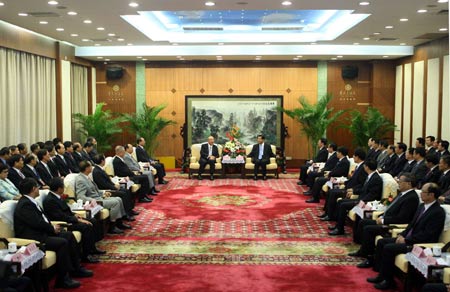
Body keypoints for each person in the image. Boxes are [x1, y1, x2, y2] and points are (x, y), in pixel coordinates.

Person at [14, 178, 93, 289]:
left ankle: (76, 269)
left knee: (69, 235)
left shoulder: (30, 201)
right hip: (34, 237)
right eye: (37, 187)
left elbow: (42, 220)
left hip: (42, 232)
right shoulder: (24, 205)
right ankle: (62, 279)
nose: (38, 189)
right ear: (33, 189)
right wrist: (52, 228)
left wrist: (52, 227)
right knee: (62, 242)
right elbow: (37, 223)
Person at [367, 182, 445, 290]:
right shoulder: (422, 206)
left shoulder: (438, 212)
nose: (421, 193)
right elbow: (411, 225)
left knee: (389, 248)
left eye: (423, 192)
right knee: (382, 242)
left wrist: (407, 239)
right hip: (408, 238)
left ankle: (389, 281)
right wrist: (401, 235)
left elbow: (428, 234)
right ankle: (382, 275)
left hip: (418, 244)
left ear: (431, 195)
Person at [351, 173, 419, 267]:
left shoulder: (411, 197)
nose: (398, 183)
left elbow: (402, 218)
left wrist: (384, 220)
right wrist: (382, 216)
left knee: (369, 229)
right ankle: (362, 250)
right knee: (363, 222)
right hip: (387, 219)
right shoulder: (402, 193)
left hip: (393, 224)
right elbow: (390, 207)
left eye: (401, 181)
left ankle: (369, 256)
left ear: (408, 184)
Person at [43, 178, 106, 264]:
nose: (64, 188)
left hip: (70, 218)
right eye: (63, 186)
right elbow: (60, 216)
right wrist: (77, 220)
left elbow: (66, 211)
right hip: (65, 223)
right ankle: (85, 255)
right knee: (86, 227)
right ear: (59, 189)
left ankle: (92, 248)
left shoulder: (57, 197)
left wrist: (75, 215)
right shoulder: (50, 200)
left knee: (93, 221)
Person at [328, 159, 383, 236]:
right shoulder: (370, 176)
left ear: (367, 167)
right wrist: (353, 191)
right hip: (361, 198)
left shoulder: (376, 179)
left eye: (365, 165)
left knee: (343, 205)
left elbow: (372, 195)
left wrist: (361, 201)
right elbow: (363, 189)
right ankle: (338, 226)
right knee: (341, 202)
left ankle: (340, 229)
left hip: (366, 202)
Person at [74, 161, 130, 234]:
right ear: (87, 168)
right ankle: (112, 227)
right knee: (115, 203)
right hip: (95, 201)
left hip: (99, 197)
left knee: (118, 199)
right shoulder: (80, 180)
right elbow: (80, 196)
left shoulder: (86, 177)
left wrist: (104, 192)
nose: (92, 168)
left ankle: (119, 222)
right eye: (91, 166)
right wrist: (93, 201)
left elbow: (94, 190)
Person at [319, 148, 367, 221]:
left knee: (333, 193)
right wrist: (344, 182)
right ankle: (328, 213)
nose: (353, 157)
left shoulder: (363, 168)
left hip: (351, 189)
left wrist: (353, 190)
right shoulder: (358, 166)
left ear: (358, 157)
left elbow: (362, 183)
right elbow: (352, 179)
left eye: (354, 155)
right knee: (331, 191)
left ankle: (330, 216)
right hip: (348, 186)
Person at [92, 154, 139, 218]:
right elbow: (104, 184)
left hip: (110, 187)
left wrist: (114, 185)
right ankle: (126, 214)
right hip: (106, 190)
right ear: (102, 161)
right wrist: (114, 187)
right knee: (124, 194)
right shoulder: (97, 171)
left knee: (126, 190)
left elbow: (107, 181)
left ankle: (129, 210)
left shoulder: (100, 169)